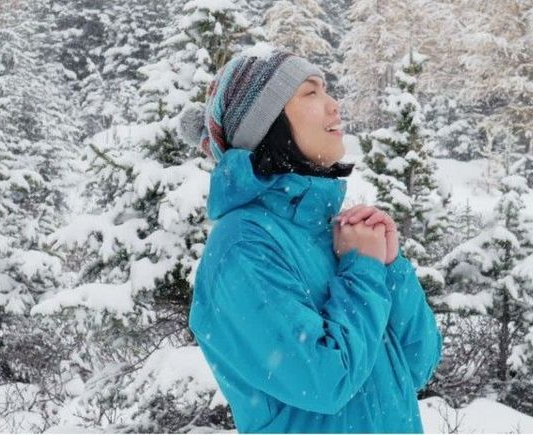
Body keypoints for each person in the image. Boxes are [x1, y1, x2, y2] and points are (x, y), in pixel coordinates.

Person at [181, 47, 443, 433]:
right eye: (311, 93)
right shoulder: (241, 249)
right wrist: (364, 271)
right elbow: (324, 383)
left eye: (327, 90)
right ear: (266, 125)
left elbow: (418, 363)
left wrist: (389, 266)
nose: (334, 105)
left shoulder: (331, 231)